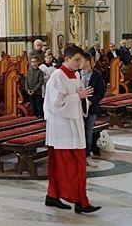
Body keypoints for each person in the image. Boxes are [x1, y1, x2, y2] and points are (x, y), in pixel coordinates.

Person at [43, 45, 100, 214]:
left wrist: (82, 99)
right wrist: (78, 97)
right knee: (69, 166)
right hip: (62, 130)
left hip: (74, 127)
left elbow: (79, 100)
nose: (80, 62)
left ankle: (53, 196)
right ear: (66, 59)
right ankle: (79, 201)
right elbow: (56, 104)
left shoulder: (75, 75)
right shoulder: (57, 76)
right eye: (76, 59)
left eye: (81, 59)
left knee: (72, 165)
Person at [81, 54, 105, 166]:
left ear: (88, 61)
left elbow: (100, 93)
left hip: (91, 108)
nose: (80, 63)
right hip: (78, 109)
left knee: (88, 133)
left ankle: (87, 155)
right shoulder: (76, 74)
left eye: (82, 61)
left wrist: (91, 101)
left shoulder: (97, 75)